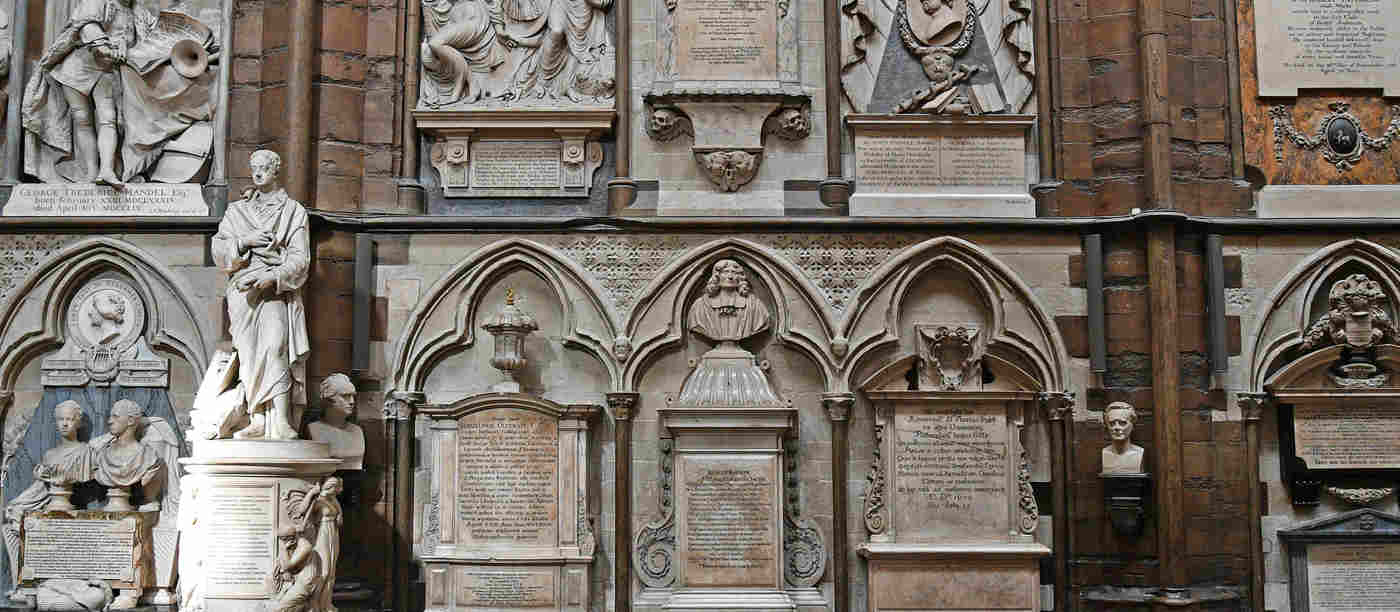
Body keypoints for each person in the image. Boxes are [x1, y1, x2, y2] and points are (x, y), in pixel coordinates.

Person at [211, 150, 311, 441]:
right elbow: (219, 251)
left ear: (276, 170)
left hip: (274, 290)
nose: (258, 174)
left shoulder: (293, 211)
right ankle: (257, 419)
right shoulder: (236, 212)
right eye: (254, 168)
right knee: (250, 354)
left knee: (276, 346)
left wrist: (270, 277)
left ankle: (280, 420)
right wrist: (245, 241)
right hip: (243, 291)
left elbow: (300, 258)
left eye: (264, 168)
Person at [91, 399, 165, 511]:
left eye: (115, 416)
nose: (109, 421)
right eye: (110, 416)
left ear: (130, 421)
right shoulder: (100, 454)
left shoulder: (149, 457)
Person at [687, 259, 771, 347]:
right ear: (717, 276)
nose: (730, 276)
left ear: (740, 277)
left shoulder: (754, 305)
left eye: (734, 273)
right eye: (725, 272)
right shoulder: (701, 306)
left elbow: (763, 322)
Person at [302, 477, 343, 612]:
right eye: (336, 487)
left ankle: (326, 604)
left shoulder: (333, 500)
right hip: (322, 534)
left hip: (333, 534)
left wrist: (339, 515)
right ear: (329, 487)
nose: (339, 490)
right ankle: (314, 603)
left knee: (331, 572)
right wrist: (311, 493)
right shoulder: (318, 501)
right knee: (324, 572)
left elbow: (339, 515)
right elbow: (303, 512)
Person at [308, 375, 364, 471]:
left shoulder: (357, 430)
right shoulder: (314, 429)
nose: (352, 401)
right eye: (345, 396)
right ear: (329, 399)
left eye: (353, 396)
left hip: (356, 480)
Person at [1101, 401, 1145, 474]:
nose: (1116, 427)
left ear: (1132, 425)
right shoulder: (1103, 453)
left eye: (1122, 423)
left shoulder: (1140, 453)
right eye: (1112, 423)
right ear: (1106, 425)